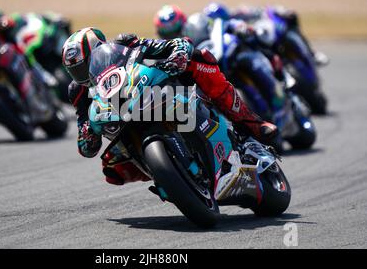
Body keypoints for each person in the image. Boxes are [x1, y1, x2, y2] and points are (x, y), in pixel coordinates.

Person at [62, 27, 278, 187]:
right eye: (76, 71)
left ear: (97, 51)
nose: (82, 76)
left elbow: (175, 44)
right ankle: (171, 178)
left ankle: (251, 122)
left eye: (84, 66)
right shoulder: (77, 91)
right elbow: (84, 139)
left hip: (154, 92)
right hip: (120, 121)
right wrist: (88, 133)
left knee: (199, 59)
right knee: (112, 171)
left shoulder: (123, 44)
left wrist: (178, 56)